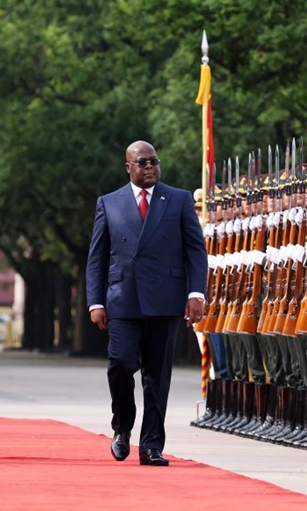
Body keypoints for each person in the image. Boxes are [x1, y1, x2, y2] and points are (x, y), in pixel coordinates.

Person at [86, 140, 208, 466]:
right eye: (142, 163)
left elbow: (195, 250)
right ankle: (122, 426)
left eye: (154, 161)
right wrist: (95, 301)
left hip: (164, 299)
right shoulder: (109, 203)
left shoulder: (179, 199)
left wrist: (196, 294)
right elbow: (97, 256)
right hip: (122, 300)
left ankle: (152, 444)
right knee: (121, 364)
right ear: (128, 167)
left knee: (156, 376)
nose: (150, 167)